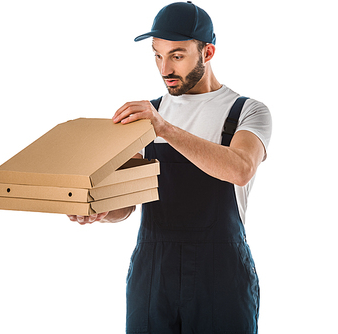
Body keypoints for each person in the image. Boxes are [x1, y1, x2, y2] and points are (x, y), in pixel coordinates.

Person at [68, 2, 272, 333]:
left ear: (207, 52)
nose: (165, 68)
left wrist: (163, 129)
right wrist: (100, 208)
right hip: (153, 273)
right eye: (157, 55)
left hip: (219, 273)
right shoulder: (148, 115)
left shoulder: (247, 111)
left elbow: (240, 168)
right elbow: (127, 203)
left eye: (177, 55)